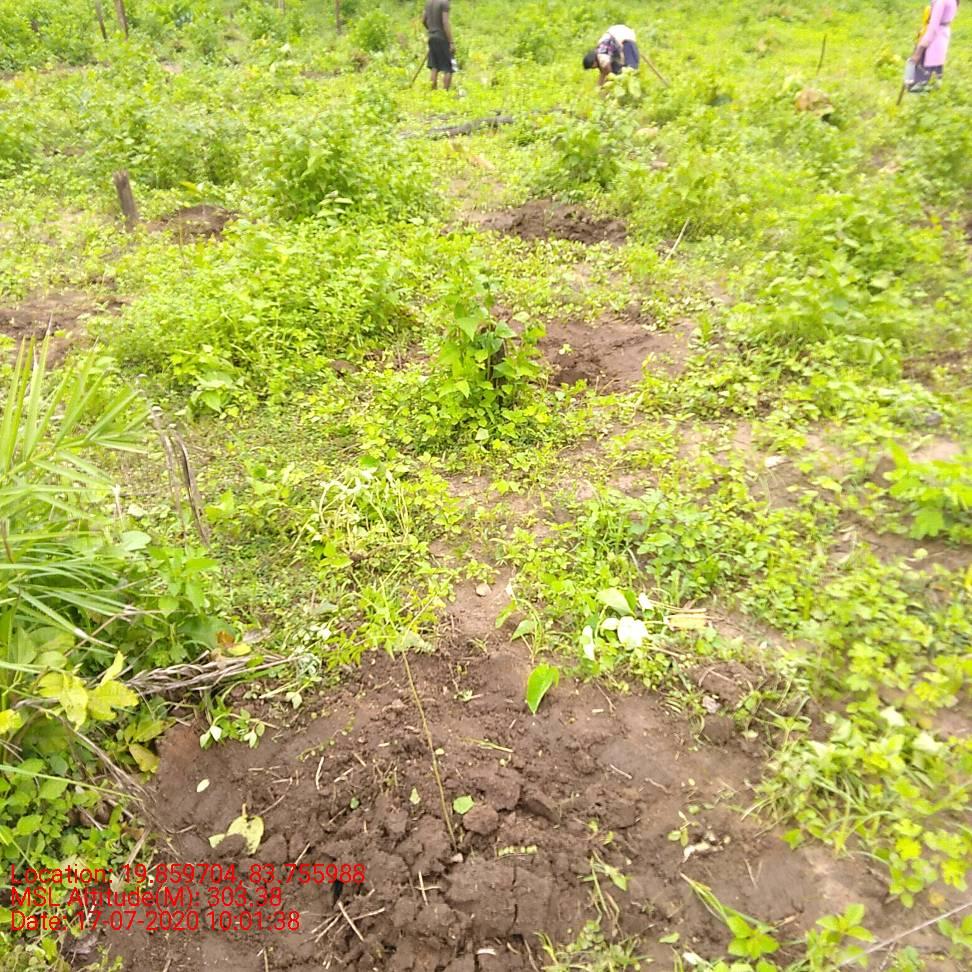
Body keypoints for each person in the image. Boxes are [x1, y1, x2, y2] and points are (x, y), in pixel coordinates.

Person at [909, 0, 959, 89]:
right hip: (941, 41)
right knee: (934, 82)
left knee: (918, 86)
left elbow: (933, 29)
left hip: (932, 43)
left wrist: (919, 50)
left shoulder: (941, 2)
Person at [423, 0, 455, 91]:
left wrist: (431, 30)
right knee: (449, 67)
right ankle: (445, 93)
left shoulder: (428, 2)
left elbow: (423, 20)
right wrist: (451, 42)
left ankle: (433, 92)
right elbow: (445, 22)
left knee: (434, 66)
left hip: (431, 37)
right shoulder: (444, 3)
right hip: (442, 37)